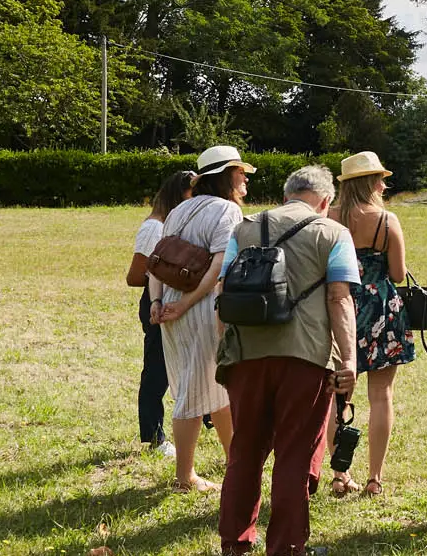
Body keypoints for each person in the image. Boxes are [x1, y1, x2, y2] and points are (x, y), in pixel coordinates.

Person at [216, 165, 361, 556]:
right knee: (295, 455)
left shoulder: (244, 228)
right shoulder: (334, 233)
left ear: (285, 197)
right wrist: (349, 360)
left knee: (244, 451)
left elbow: (222, 293)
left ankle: (234, 545)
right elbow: (339, 298)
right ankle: (287, 547)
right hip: (306, 357)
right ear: (326, 201)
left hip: (246, 356)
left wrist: (225, 350)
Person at [151, 145, 250, 493]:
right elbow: (220, 264)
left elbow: (157, 260)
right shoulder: (227, 210)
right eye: (240, 171)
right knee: (193, 394)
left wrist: (158, 301)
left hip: (172, 306)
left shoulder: (179, 209)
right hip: (202, 308)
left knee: (213, 386)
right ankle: (185, 477)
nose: (245, 177)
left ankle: (235, 461)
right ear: (226, 175)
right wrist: (187, 304)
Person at [327, 150, 413, 497]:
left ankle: (339, 474)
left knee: (338, 397)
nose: (383, 185)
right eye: (380, 179)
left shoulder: (328, 217)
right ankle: (375, 478)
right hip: (380, 309)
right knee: (381, 395)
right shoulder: (387, 221)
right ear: (371, 183)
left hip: (338, 307)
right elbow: (399, 274)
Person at [128, 169, 195, 455]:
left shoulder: (173, 224)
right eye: (193, 195)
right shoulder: (154, 228)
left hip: (173, 301)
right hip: (157, 303)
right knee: (157, 372)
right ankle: (154, 436)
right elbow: (134, 276)